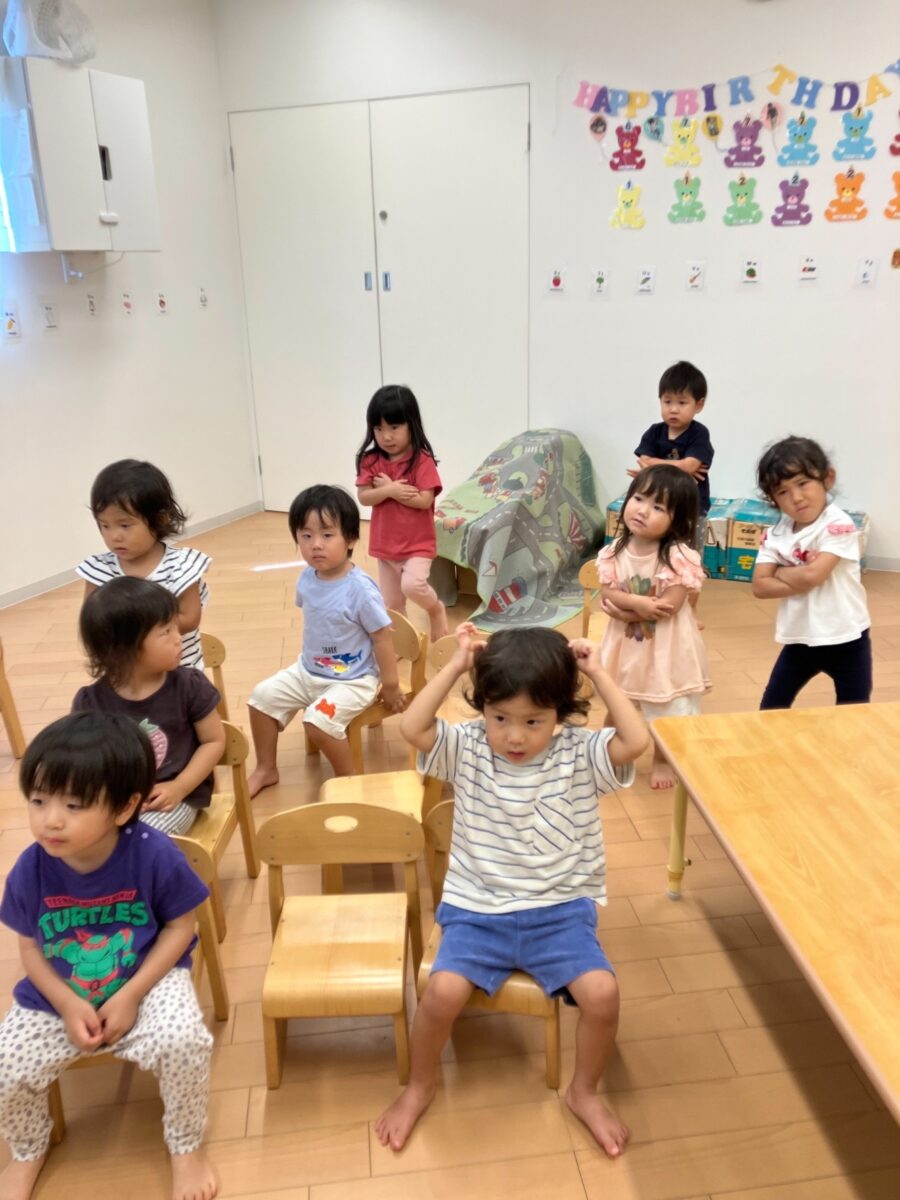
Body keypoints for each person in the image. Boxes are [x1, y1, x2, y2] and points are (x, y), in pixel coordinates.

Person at [375, 623, 648, 1156]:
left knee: (603, 995)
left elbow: (636, 742)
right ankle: (419, 1086)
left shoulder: (578, 752)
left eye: (533, 721)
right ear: (482, 708)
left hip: (559, 912)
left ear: (560, 713)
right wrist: (456, 666)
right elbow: (411, 726)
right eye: (500, 717)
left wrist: (598, 672)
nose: (515, 737)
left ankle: (584, 1092)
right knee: (441, 994)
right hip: (478, 910)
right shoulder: (469, 746)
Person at [0, 711, 217, 1200]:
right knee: (6, 1062)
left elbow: (182, 927)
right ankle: (26, 1149)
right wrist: (67, 1003)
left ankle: (186, 1146)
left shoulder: (155, 854)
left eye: (74, 805)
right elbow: (30, 947)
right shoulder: (31, 868)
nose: (50, 819)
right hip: (58, 993)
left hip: (146, 978)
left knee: (185, 1042)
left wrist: (132, 994)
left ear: (124, 807)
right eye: (38, 800)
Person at [246, 484, 403, 796]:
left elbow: (383, 639)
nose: (315, 545)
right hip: (309, 670)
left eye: (327, 535)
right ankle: (266, 769)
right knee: (260, 699)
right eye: (306, 536)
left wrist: (391, 684)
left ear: (351, 539)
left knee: (317, 721)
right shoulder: (307, 578)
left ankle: (348, 780)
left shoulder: (360, 590)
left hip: (354, 679)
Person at [72, 577, 225, 835]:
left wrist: (179, 787)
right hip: (116, 801)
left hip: (173, 798)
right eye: (166, 632)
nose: (179, 638)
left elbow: (214, 742)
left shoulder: (189, 685)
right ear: (124, 648)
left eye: (175, 627)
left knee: (139, 839)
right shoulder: (90, 702)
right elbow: (85, 762)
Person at [597, 464, 709, 789]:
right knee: (618, 702)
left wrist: (629, 610)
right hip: (625, 646)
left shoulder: (678, 556)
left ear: (678, 520)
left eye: (658, 507)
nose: (643, 511)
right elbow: (607, 592)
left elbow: (669, 605)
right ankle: (611, 752)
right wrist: (636, 604)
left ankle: (662, 758)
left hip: (665, 649)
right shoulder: (614, 551)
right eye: (639, 499)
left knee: (665, 709)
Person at [752, 436, 871, 708]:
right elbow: (759, 587)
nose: (796, 497)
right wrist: (801, 572)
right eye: (782, 492)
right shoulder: (777, 533)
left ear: (827, 478)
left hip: (847, 636)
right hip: (800, 637)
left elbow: (813, 577)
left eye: (803, 483)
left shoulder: (838, 524)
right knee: (771, 708)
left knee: (854, 712)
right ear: (773, 499)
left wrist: (779, 571)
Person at [76, 459, 211, 669]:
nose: (114, 536)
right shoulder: (99, 570)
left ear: (160, 519)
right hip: (124, 675)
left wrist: (136, 630)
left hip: (179, 672)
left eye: (124, 525)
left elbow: (190, 618)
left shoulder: (181, 566)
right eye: (105, 525)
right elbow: (92, 622)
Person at [356, 384, 448, 640]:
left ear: (411, 424)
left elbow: (425, 500)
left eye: (394, 427)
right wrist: (390, 490)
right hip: (385, 547)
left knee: (412, 585)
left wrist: (392, 490)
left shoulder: (421, 460)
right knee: (392, 605)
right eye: (379, 429)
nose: (386, 436)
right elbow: (364, 496)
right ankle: (403, 645)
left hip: (417, 545)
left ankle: (435, 609)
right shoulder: (371, 461)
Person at [630, 361, 713, 560]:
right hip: (657, 505)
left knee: (688, 554)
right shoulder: (654, 432)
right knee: (657, 548)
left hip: (690, 507)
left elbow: (690, 465)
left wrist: (654, 464)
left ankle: (689, 579)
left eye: (682, 403)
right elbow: (644, 460)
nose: (673, 409)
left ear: (699, 404)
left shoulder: (699, 433)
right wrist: (679, 468)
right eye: (667, 402)